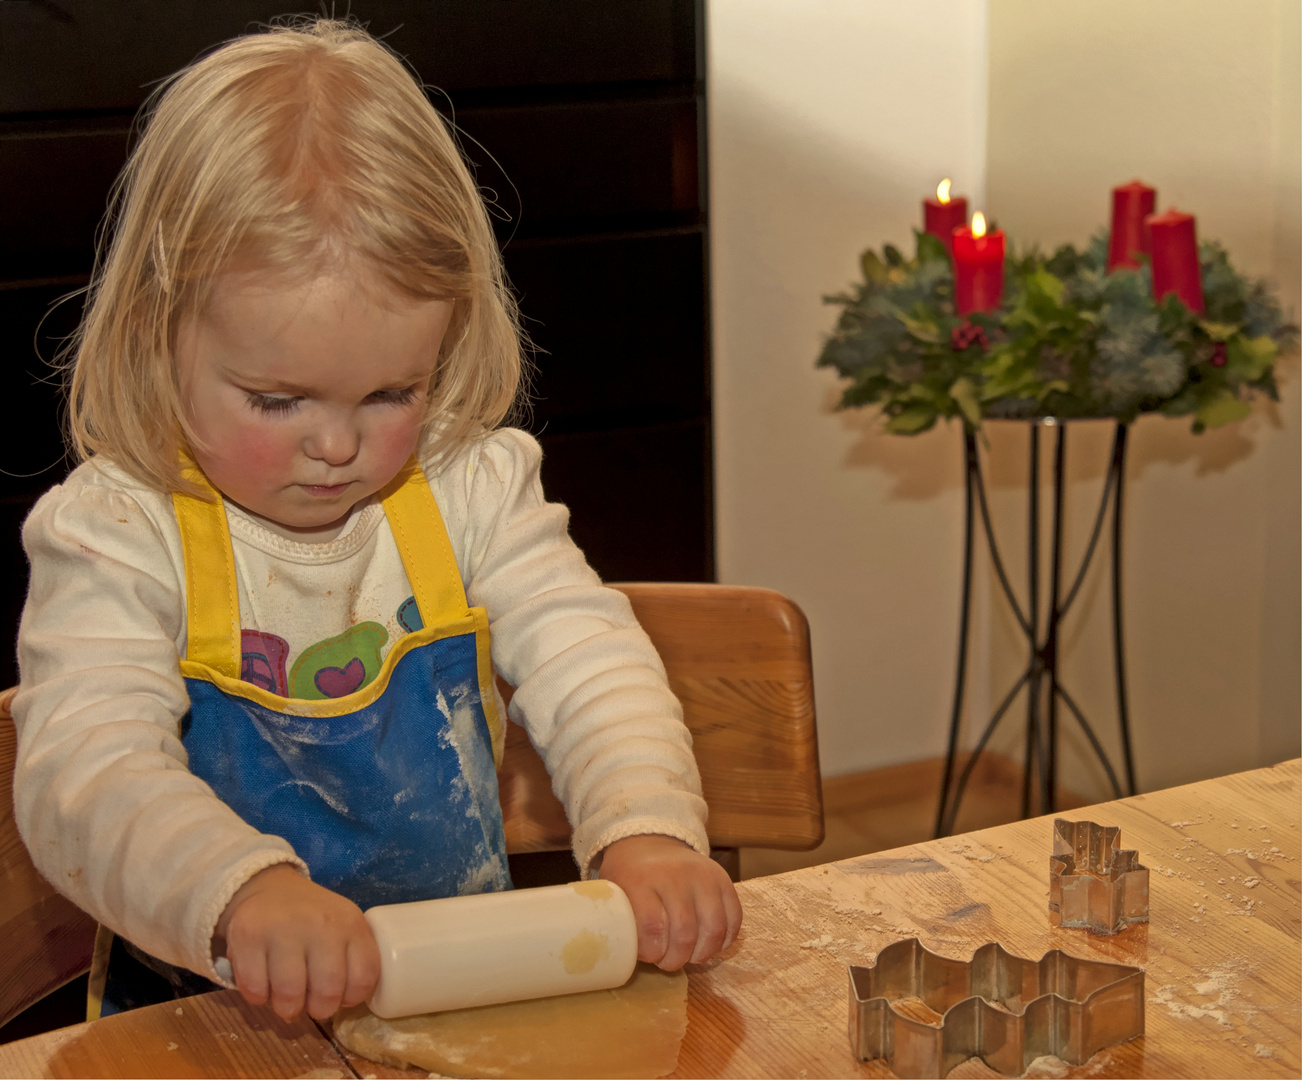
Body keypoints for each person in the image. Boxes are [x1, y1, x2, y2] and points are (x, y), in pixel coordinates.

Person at [12, 18, 741, 1024]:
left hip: (459, 999)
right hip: (205, 1020)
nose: (339, 447)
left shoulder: (468, 486)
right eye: (277, 400)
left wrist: (645, 827)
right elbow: (87, 773)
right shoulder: (117, 531)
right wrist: (241, 893)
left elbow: (591, 660)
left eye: (393, 391)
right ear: (157, 331)